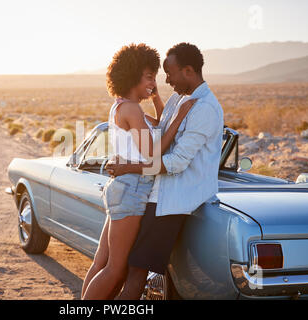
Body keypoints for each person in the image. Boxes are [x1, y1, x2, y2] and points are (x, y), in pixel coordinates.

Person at [105, 42, 224, 300]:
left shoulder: (203, 108)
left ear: (188, 71)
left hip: (170, 203)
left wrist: (128, 167)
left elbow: (176, 163)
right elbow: (160, 131)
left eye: (169, 73)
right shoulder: (178, 99)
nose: (166, 80)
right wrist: (158, 98)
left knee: (136, 273)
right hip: (155, 196)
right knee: (125, 269)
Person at [81, 43, 196, 300]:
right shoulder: (132, 110)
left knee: (102, 261)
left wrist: (155, 96)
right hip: (131, 190)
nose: (153, 82)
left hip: (123, 188)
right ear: (133, 76)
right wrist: (181, 117)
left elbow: (160, 122)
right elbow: (153, 155)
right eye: (149, 77)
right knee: (116, 268)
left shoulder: (124, 106)